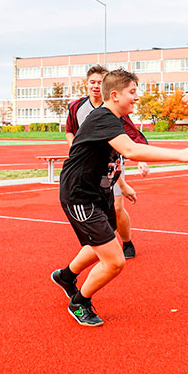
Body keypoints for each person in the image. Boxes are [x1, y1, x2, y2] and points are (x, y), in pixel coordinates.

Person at [51, 68, 188, 326]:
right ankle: (79, 302)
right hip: (80, 194)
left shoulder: (114, 119)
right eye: (132, 92)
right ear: (115, 95)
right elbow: (130, 150)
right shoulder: (102, 117)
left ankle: (66, 276)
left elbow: (115, 156)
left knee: (104, 240)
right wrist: (179, 155)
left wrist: (121, 185)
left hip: (98, 191)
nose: (137, 97)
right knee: (114, 261)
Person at [65, 64, 148, 260]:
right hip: (88, 170)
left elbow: (132, 140)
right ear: (86, 84)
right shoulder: (77, 107)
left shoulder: (113, 109)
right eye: (92, 82)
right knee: (98, 215)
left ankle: (126, 241)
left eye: (99, 82)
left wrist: (140, 160)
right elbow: (69, 130)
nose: (95, 86)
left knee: (117, 207)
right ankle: (73, 270)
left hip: (112, 163)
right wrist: (74, 147)